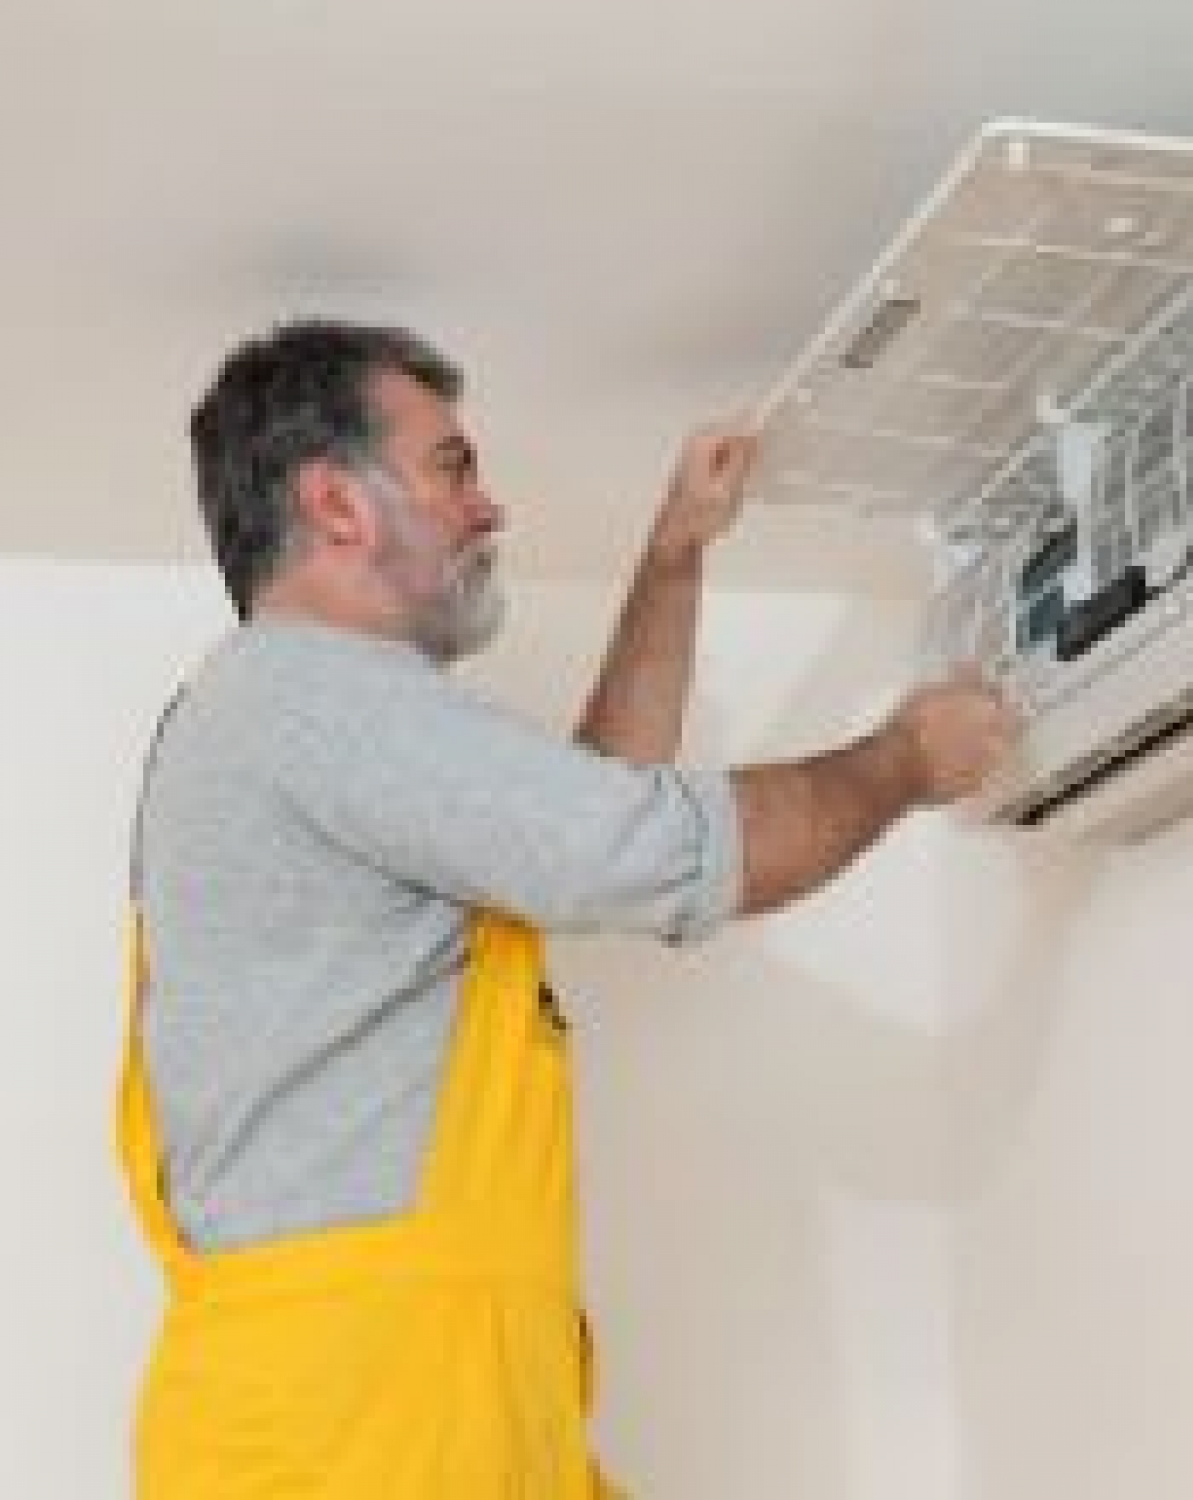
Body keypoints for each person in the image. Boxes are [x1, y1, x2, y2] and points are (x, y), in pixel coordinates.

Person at [115, 319, 1013, 1498]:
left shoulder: (305, 722)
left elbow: (583, 820)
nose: (487, 507)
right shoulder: (306, 692)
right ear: (336, 504)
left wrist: (674, 556)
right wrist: (906, 761)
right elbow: (640, 850)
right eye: (452, 467)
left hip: (399, 1388)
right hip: (364, 1415)